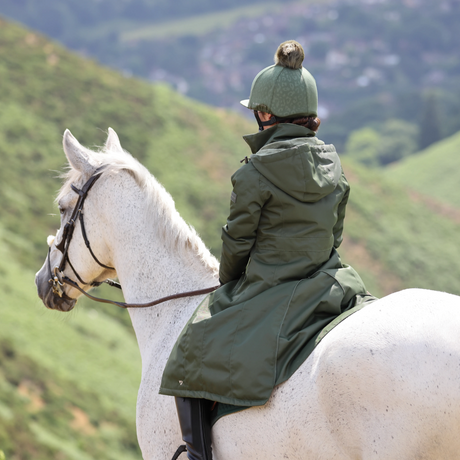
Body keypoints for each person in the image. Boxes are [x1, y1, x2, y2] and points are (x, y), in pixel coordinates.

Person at [160, 40, 375, 460]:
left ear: (264, 115)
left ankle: (196, 455)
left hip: (273, 287)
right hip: (329, 281)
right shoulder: (333, 164)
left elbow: (237, 243)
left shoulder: (255, 172)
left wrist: (228, 282)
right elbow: (334, 235)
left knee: (189, 349)